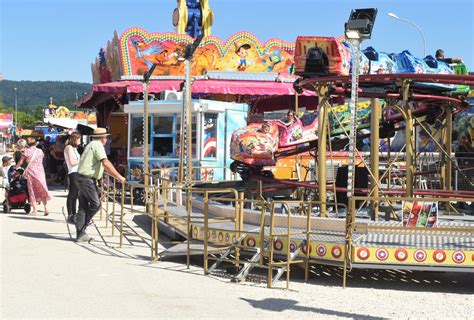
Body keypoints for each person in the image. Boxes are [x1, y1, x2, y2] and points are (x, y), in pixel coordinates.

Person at [75, 128, 125, 243]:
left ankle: (80, 233)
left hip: (82, 177)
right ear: (102, 138)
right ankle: (78, 221)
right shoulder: (98, 145)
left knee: (83, 207)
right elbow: (105, 162)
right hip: (86, 179)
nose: (107, 140)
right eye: (106, 137)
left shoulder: (91, 144)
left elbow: (99, 165)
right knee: (95, 205)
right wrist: (118, 176)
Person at [15, 137, 50, 216]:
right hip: (40, 172)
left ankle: (35, 211)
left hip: (31, 173)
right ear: (35, 143)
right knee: (42, 189)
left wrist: (15, 167)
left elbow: (20, 162)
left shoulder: (26, 152)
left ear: (27, 143)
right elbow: (42, 158)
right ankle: (46, 208)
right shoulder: (40, 151)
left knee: (32, 191)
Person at [64, 132, 81, 223]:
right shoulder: (69, 147)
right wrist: (81, 160)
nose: (80, 141)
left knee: (75, 194)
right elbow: (72, 162)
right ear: (75, 139)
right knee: (72, 194)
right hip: (73, 172)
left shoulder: (75, 148)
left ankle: (74, 214)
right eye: (79, 139)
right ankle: (70, 214)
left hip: (77, 171)